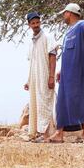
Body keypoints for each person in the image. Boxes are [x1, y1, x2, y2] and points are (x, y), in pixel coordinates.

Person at [48, 3, 84, 143]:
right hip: (67, 74)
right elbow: (67, 54)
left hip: (79, 72)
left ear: (69, 13)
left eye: (64, 13)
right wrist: (61, 70)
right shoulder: (68, 32)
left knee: (82, 99)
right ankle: (59, 133)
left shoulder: (79, 26)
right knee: (63, 102)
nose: (63, 16)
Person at [23, 11, 57, 142]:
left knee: (45, 103)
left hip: (45, 76)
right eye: (33, 23)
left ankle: (47, 135)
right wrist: (28, 81)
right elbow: (32, 62)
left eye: (37, 22)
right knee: (36, 104)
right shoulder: (31, 42)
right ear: (29, 25)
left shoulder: (48, 37)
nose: (36, 25)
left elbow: (53, 56)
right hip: (35, 78)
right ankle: (39, 133)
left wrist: (51, 77)